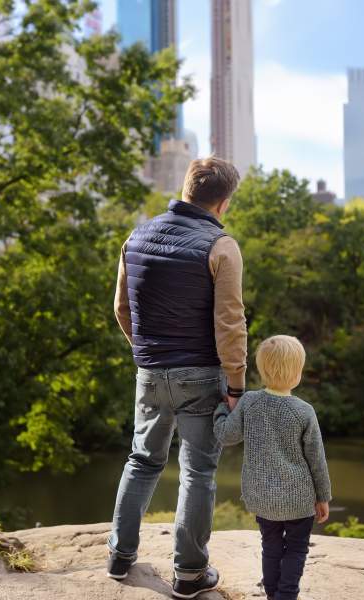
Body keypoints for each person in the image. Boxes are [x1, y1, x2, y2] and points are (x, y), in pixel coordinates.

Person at [107, 157, 248, 599]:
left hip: (149, 371)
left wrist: (146, 352)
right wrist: (237, 383)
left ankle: (119, 555)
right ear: (222, 204)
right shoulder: (221, 246)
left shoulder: (136, 237)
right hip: (200, 375)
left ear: (186, 188)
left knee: (142, 460)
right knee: (198, 473)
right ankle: (189, 574)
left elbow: (120, 308)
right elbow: (230, 322)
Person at [213, 335, 331, 600]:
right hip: (299, 501)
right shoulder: (304, 411)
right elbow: (317, 460)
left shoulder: (250, 402)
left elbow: (226, 436)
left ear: (262, 369)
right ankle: (286, 595)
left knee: (271, 546)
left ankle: (272, 594)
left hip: (263, 499)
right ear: (297, 373)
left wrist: (221, 409)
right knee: (297, 549)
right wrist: (323, 496)